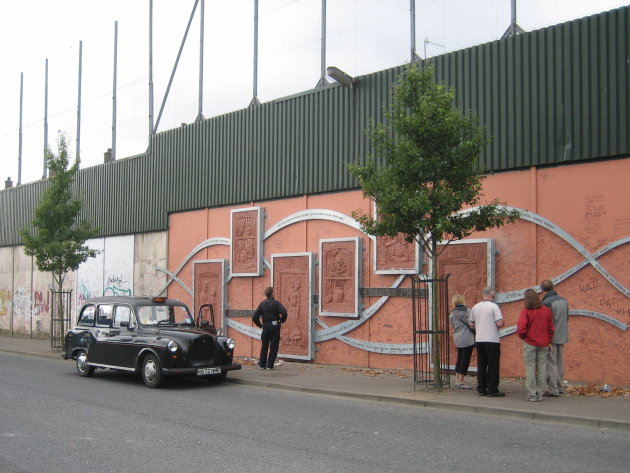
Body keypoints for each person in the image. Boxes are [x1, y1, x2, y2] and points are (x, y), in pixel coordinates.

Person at [517, 289, 555, 402]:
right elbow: (551, 328)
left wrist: (524, 337)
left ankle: (532, 393)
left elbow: (521, 328)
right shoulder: (546, 310)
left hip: (530, 342)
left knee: (530, 368)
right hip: (543, 343)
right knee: (542, 368)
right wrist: (548, 339)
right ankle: (540, 393)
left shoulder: (526, 311)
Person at [469, 287, 505, 397]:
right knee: (493, 364)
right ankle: (492, 388)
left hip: (479, 339)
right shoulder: (494, 307)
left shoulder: (475, 307)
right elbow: (499, 323)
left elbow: (471, 323)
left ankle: (481, 388)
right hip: (492, 339)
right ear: (492, 295)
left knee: (482, 364)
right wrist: (503, 322)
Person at [540, 280, 569, 397]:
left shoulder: (546, 303)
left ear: (542, 290)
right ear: (553, 287)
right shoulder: (564, 300)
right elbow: (567, 317)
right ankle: (559, 386)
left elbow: (545, 322)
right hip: (562, 334)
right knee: (559, 362)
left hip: (551, 337)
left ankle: (553, 389)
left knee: (551, 363)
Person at [252, 286, 288, 370]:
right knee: (274, 346)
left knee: (264, 346)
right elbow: (284, 313)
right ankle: (270, 365)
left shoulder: (262, 304)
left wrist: (260, 325)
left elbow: (255, 317)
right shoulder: (276, 303)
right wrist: (281, 321)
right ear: (272, 293)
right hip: (274, 326)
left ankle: (262, 365)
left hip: (265, 326)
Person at [449, 294, 475, 389]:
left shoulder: (452, 313)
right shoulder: (468, 311)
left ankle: (457, 379)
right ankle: (461, 381)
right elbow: (471, 324)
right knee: (465, 359)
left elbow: (452, 325)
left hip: (457, 338)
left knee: (459, 358)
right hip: (467, 338)